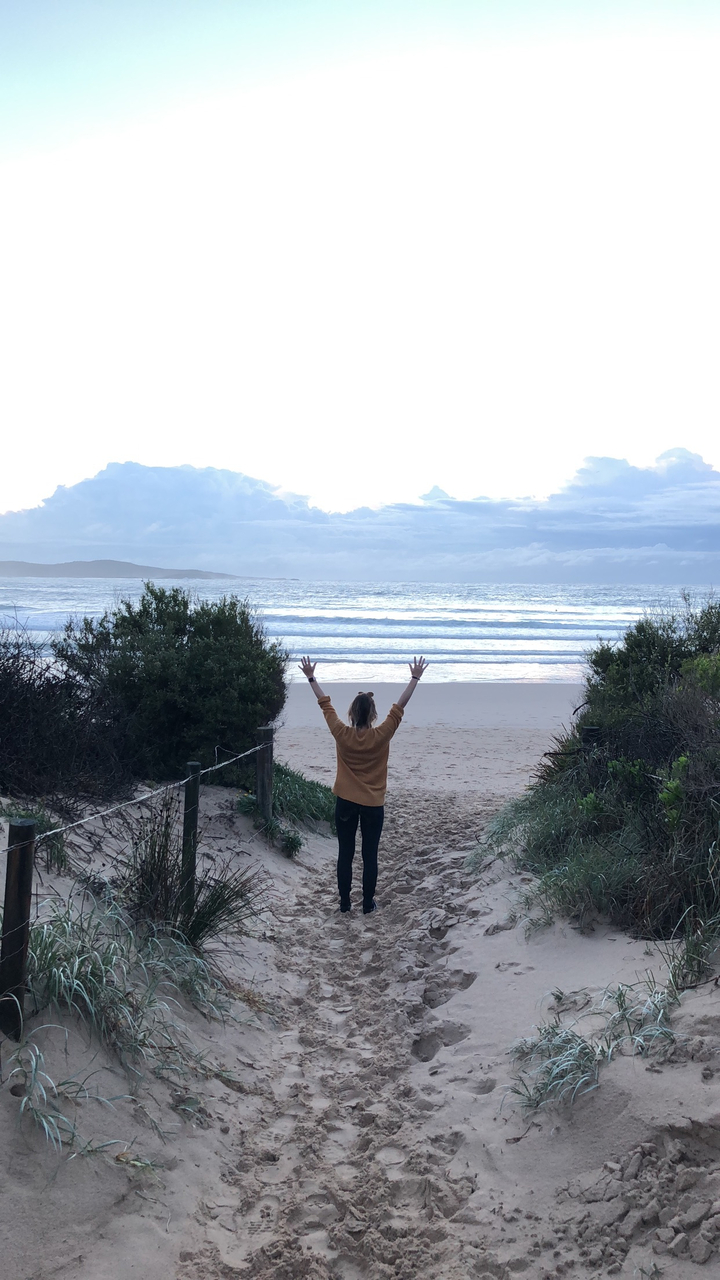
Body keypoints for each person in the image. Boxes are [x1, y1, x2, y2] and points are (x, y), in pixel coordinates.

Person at [298, 655, 429, 915]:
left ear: (352, 713)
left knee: (345, 853)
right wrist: (415, 678)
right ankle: (367, 904)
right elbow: (399, 706)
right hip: (372, 803)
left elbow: (325, 705)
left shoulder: (341, 733)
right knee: (370, 855)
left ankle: (345, 904)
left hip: (345, 801)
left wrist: (311, 677)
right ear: (373, 713)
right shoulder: (382, 734)